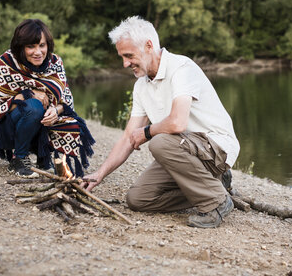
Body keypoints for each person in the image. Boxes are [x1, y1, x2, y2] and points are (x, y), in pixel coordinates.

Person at [83, 16, 240, 228]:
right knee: (138, 199)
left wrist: (147, 132)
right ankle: (215, 186)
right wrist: (99, 175)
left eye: (129, 56)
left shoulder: (182, 68)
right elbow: (130, 136)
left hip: (216, 148)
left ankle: (216, 202)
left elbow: (177, 123)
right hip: (184, 152)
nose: (125, 63)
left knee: (159, 142)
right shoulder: (141, 86)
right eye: (122, 57)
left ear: (149, 46)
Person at [0, 19, 95, 178]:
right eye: (31, 46)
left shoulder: (55, 63)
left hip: (40, 121)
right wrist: (28, 94)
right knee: (34, 107)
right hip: (7, 126)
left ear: (48, 45)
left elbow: (66, 100)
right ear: (21, 47)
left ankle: (47, 158)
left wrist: (56, 110)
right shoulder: (6, 63)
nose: (38, 51)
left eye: (42, 45)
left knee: (70, 122)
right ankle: (18, 159)